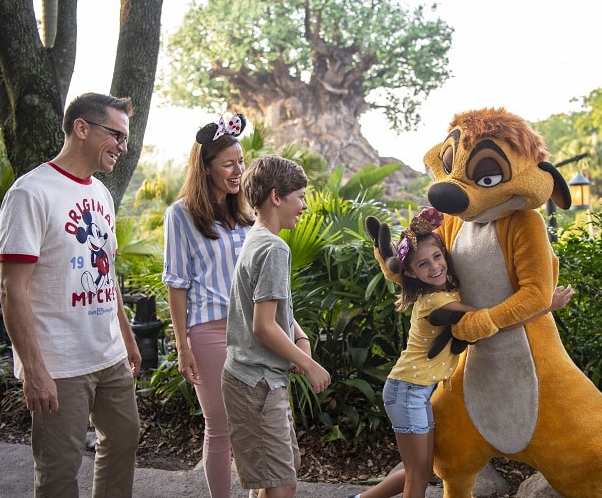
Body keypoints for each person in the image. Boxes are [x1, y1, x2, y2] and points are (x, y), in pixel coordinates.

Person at [350, 207, 573, 498]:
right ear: (411, 272)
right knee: (418, 476)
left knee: (421, 469)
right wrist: (546, 307)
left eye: (437, 257)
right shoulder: (437, 303)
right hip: (407, 391)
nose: (433, 267)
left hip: (416, 391)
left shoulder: (447, 292)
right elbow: (492, 320)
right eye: (422, 265)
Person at [0, 92, 142, 497]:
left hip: (108, 354)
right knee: (59, 472)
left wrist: (127, 338)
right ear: (82, 128)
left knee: (124, 439)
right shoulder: (31, 193)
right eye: (116, 134)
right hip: (59, 364)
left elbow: (107, 275)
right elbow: (13, 288)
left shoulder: (101, 194)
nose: (123, 146)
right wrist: (34, 369)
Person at [221, 155, 332, 498]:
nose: (304, 205)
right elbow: (263, 326)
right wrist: (310, 365)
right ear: (275, 196)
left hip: (255, 380)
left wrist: (298, 336)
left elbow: (269, 306)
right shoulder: (274, 247)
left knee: (282, 471)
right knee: (282, 484)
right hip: (257, 384)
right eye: (299, 196)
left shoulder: (256, 238)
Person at [162, 114, 254, 497]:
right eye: (229, 163)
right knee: (221, 427)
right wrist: (182, 345)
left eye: (241, 162)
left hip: (253, 329)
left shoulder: (248, 214)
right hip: (209, 331)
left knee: (256, 424)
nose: (238, 171)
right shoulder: (180, 215)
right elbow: (176, 283)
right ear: (206, 166)